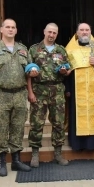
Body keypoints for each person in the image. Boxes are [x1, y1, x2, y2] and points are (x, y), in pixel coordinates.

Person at [0, 19, 36, 176]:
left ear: (16, 30)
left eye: (13, 27)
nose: (10, 30)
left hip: (20, 94)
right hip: (0, 94)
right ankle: (1, 163)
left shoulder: (23, 50)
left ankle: (16, 161)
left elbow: (29, 71)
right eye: (7, 27)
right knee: (1, 129)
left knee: (18, 128)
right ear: (1, 29)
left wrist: (31, 89)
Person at [27, 23, 70, 168]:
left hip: (57, 90)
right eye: (49, 32)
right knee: (36, 123)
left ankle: (58, 154)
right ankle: (35, 154)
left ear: (57, 34)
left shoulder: (61, 50)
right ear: (44, 32)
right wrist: (30, 92)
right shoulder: (34, 49)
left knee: (58, 123)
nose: (51, 35)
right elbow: (27, 73)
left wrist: (65, 71)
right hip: (39, 90)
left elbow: (68, 69)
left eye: (54, 33)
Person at [64, 23, 94, 150]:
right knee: (76, 116)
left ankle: (93, 144)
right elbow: (65, 70)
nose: (84, 32)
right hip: (76, 92)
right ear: (77, 33)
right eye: (82, 30)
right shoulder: (69, 51)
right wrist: (67, 89)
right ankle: (77, 144)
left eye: (87, 30)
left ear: (90, 32)